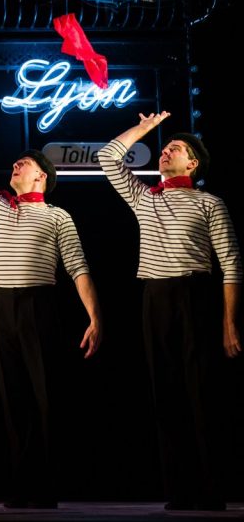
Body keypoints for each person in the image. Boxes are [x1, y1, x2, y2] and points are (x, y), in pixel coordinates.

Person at [0, 114, 101, 509]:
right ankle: (23, 483)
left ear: (42, 177)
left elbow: (78, 268)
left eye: (26, 163)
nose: (16, 164)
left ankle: (49, 484)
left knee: (45, 396)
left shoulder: (57, 216)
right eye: (16, 161)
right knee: (13, 397)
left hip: (39, 305)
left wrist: (95, 317)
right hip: (2, 307)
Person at [98, 112, 240, 511]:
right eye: (162, 148)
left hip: (195, 293)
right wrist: (142, 130)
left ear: (192, 163)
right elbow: (109, 158)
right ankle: (179, 490)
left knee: (201, 391)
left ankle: (211, 489)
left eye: (174, 148)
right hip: (155, 296)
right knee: (167, 392)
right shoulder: (146, 197)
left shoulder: (209, 201)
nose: (165, 151)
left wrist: (229, 322)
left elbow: (231, 262)